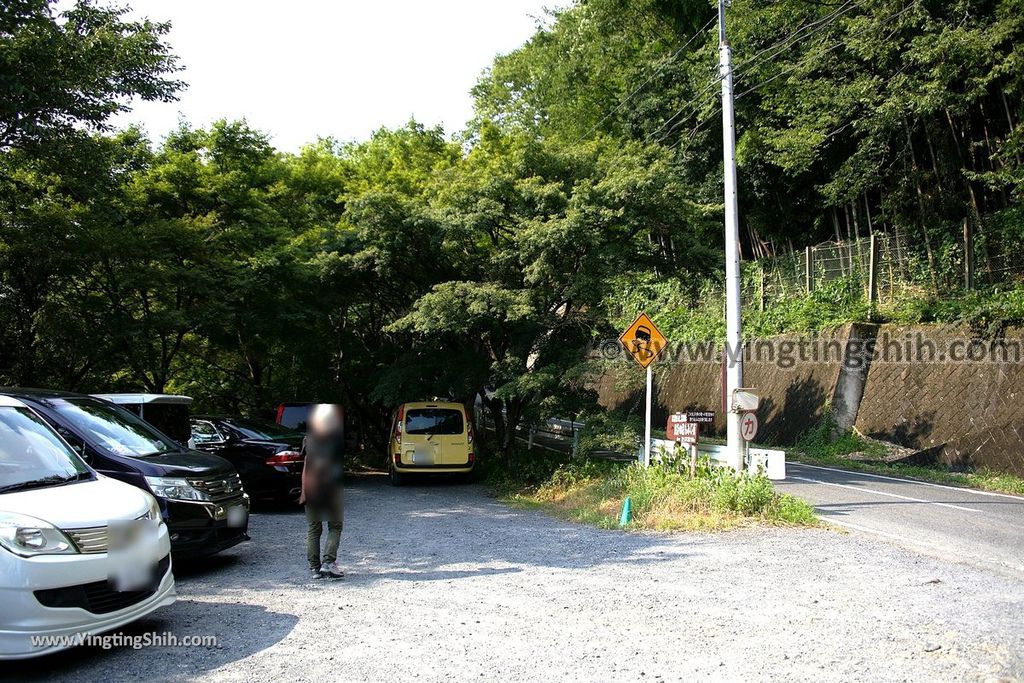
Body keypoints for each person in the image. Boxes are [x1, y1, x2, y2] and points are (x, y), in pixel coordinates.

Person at [299, 404, 345, 579]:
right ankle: (328, 562)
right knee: (335, 526)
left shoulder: (308, 439)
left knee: (313, 528)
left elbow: (306, 465)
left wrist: (304, 491)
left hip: (311, 486)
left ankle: (314, 568)